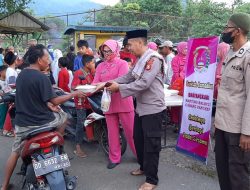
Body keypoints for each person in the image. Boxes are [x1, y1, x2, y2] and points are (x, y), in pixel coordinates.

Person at [0, 44, 84, 190]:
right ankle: (58, 142)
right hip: (44, 123)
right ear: (39, 60)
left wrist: (48, 104)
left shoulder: (21, 75)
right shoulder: (42, 77)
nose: (49, 61)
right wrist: (73, 94)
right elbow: (55, 101)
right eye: (47, 58)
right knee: (63, 116)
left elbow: (33, 98)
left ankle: (4, 185)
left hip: (24, 125)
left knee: (15, 152)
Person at [103, 30, 166, 190]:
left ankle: (152, 180)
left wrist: (119, 88)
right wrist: (110, 82)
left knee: (151, 144)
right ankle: (144, 167)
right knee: (138, 140)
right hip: (141, 107)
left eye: (130, 45)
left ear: (139, 42)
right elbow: (129, 76)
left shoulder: (153, 58)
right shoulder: (139, 59)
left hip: (153, 109)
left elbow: (144, 83)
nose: (128, 48)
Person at [214, 12, 250, 190]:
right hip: (222, 124)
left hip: (237, 129)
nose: (224, 31)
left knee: (238, 176)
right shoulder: (229, 52)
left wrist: (247, 132)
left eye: (227, 27)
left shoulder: (248, 55)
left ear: (237, 31)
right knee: (223, 171)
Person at [93, 39, 136, 169]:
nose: (106, 54)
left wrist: (103, 84)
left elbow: (121, 82)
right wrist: (96, 86)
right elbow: (95, 82)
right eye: (104, 51)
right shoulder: (100, 66)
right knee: (112, 132)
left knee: (131, 132)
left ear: (115, 50)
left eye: (109, 51)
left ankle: (140, 155)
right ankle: (114, 158)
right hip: (108, 103)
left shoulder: (122, 63)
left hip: (123, 101)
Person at [71, 54, 96, 158]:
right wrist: (83, 87)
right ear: (87, 64)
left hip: (90, 101)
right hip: (81, 101)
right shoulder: (78, 73)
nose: (94, 64)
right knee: (80, 123)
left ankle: (91, 137)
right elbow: (73, 87)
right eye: (93, 62)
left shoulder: (91, 73)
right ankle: (78, 147)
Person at [170, 41, 187, 132]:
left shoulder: (190, 58)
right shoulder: (175, 59)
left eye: (188, 48)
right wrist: (180, 82)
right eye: (185, 48)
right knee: (176, 105)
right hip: (178, 84)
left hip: (187, 85)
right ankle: (176, 123)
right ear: (180, 49)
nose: (186, 50)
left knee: (185, 105)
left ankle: (184, 123)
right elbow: (176, 73)